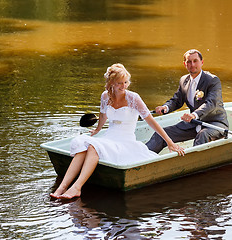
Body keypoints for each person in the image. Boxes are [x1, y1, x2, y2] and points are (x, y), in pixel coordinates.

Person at [50, 63, 185, 200]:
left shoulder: (134, 98)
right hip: (109, 136)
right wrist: (97, 129)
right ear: (111, 83)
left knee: (93, 147)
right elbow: (102, 115)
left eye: (126, 82)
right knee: (83, 146)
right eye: (120, 83)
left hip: (125, 140)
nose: (124, 86)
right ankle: (62, 187)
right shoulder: (105, 96)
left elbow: (152, 122)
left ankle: (77, 187)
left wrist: (170, 142)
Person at [146, 49, 229, 153]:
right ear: (185, 64)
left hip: (215, 123)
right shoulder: (183, 80)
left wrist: (194, 115)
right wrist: (165, 107)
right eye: (189, 62)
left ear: (202, 62)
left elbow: (211, 103)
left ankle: (193, 164)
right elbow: (177, 100)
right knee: (162, 133)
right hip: (193, 124)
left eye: (195, 61)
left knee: (202, 135)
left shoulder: (212, 80)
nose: (192, 64)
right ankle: (142, 157)